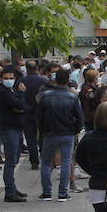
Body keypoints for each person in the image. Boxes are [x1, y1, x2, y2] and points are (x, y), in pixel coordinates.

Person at [35, 68, 84, 202]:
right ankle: (63, 192)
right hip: (67, 133)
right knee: (66, 162)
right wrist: (76, 130)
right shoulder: (72, 97)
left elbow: (39, 116)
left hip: (50, 133)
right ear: (68, 81)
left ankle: (46, 192)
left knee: (45, 162)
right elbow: (79, 117)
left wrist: (42, 130)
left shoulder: (45, 96)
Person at [0, 67, 28, 202]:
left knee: (14, 160)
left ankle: (12, 187)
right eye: (6, 78)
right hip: (9, 128)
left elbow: (20, 107)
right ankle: (10, 191)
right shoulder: (3, 92)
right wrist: (21, 94)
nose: (9, 80)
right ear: (1, 78)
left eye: (11, 78)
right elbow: (18, 105)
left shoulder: (10, 91)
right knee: (10, 161)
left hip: (16, 127)